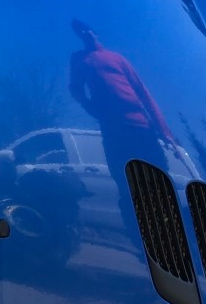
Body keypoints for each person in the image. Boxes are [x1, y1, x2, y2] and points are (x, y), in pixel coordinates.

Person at [68, 19, 173, 211]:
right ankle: (136, 220)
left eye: (87, 29)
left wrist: (165, 132)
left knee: (158, 181)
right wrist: (91, 107)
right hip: (114, 130)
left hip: (142, 128)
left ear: (95, 33)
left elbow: (143, 92)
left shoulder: (116, 58)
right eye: (80, 31)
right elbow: (75, 88)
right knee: (128, 187)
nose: (85, 33)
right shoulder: (80, 59)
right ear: (78, 36)